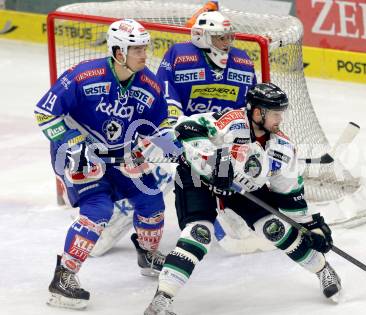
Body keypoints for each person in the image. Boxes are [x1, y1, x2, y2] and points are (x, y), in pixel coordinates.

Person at [144, 83, 342, 315]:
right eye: (276, 113)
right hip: (198, 179)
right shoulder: (232, 121)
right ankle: (162, 300)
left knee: (274, 228)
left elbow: (290, 196)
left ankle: (322, 269)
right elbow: (185, 127)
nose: (280, 119)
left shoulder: (283, 148)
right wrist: (212, 161)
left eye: (281, 113)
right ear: (258, 112)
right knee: (199, 232)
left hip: (243, 187)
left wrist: (311, 227)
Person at [34, 19, 180, 310]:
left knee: (151, 198)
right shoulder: (82, 75)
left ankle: (148, 254)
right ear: (117, 51)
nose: (144, 54)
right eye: (136, 49)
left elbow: (160, 125)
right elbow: (44, 113)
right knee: (99, 209)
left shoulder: (148, 83)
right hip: (79, 152)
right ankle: (64, 276)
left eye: (145, 48)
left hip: (121, 153)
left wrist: (176, 148)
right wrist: (73, 143)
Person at [93, 10, 258, 256]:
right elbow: (165, 98)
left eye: (228, 37)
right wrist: (177, 133)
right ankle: (117, 220)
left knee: (238, 165)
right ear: (202, 36)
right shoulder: (180, 56)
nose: (226, 43)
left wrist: (233, 140)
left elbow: (247, 108)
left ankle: (230, 212)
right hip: (181, 132)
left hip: (220, 137)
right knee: (163, 170)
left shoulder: (242, 62)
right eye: (220, 37)